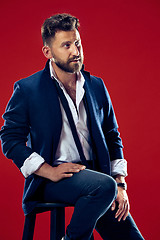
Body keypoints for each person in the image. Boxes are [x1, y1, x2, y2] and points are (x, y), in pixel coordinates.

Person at [0, 13, 144, 240]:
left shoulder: (96, 86)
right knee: (102, 187)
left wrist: (120, 184)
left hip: (98, 179)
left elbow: (112, 135)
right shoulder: (28, 89)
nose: (76, 51)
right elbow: (9, 138)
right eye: (66, 45)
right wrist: (48, 170)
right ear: (48, 52)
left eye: (77, 43)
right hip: (52, 180)